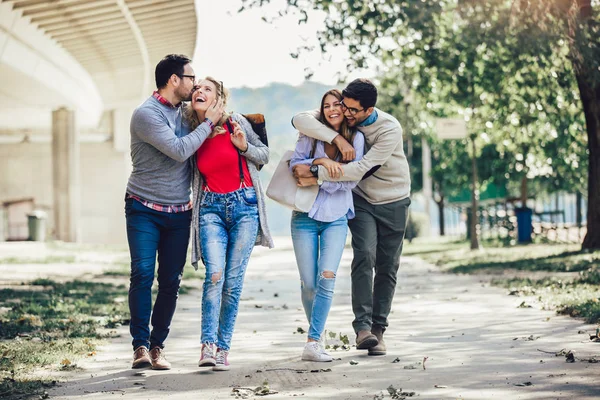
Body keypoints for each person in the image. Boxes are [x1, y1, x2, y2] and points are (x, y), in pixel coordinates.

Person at [292, 79, 411, 356]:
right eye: (344, 106)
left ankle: (378, 331)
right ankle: (363, 329)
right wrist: (335, 137)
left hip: (393, 199)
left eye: (353, 110)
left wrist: (316, 172)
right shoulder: (345, 117)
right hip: (362, 200)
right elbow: (300, 119)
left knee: (387, 265)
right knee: (364, 255)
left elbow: (362, 168)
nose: (346, 113)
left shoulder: (389, 129)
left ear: (369, 109)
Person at [125, 54, 224, 370]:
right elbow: (181, 151)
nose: (195, 83)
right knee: (142, 272)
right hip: (144, 207)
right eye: (191, 78)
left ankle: (157, 347)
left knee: (170, 281)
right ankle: (139, 346)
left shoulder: (186, 112)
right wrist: (208, 123)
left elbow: (225, 118)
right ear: (174, 80)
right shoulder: (146, 115)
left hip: (180, 211)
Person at [187, 77, 273, 371]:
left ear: (219, 98)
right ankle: (207, 345)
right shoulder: (192, 130)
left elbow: (264, 155)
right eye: (196, 88)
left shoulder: (235, 122)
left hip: (244, 207)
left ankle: (223, 349)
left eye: (207, 89)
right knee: (215, 275)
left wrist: (244, 145)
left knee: (232, 283)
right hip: (209, 208)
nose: (199, 91)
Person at [289, 89, 365, 362]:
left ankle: (312, 341)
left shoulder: (357, 139)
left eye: (337, 105)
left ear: (345, 109)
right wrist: (323, 163)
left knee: (327, 277)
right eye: (327, 105)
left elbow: (351, 180)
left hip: (336, 218)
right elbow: (296, 168)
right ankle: (317, 335)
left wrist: (317, 175)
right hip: (304, 217)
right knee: (309, 284)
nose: (333, 109)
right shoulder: (310, 135)